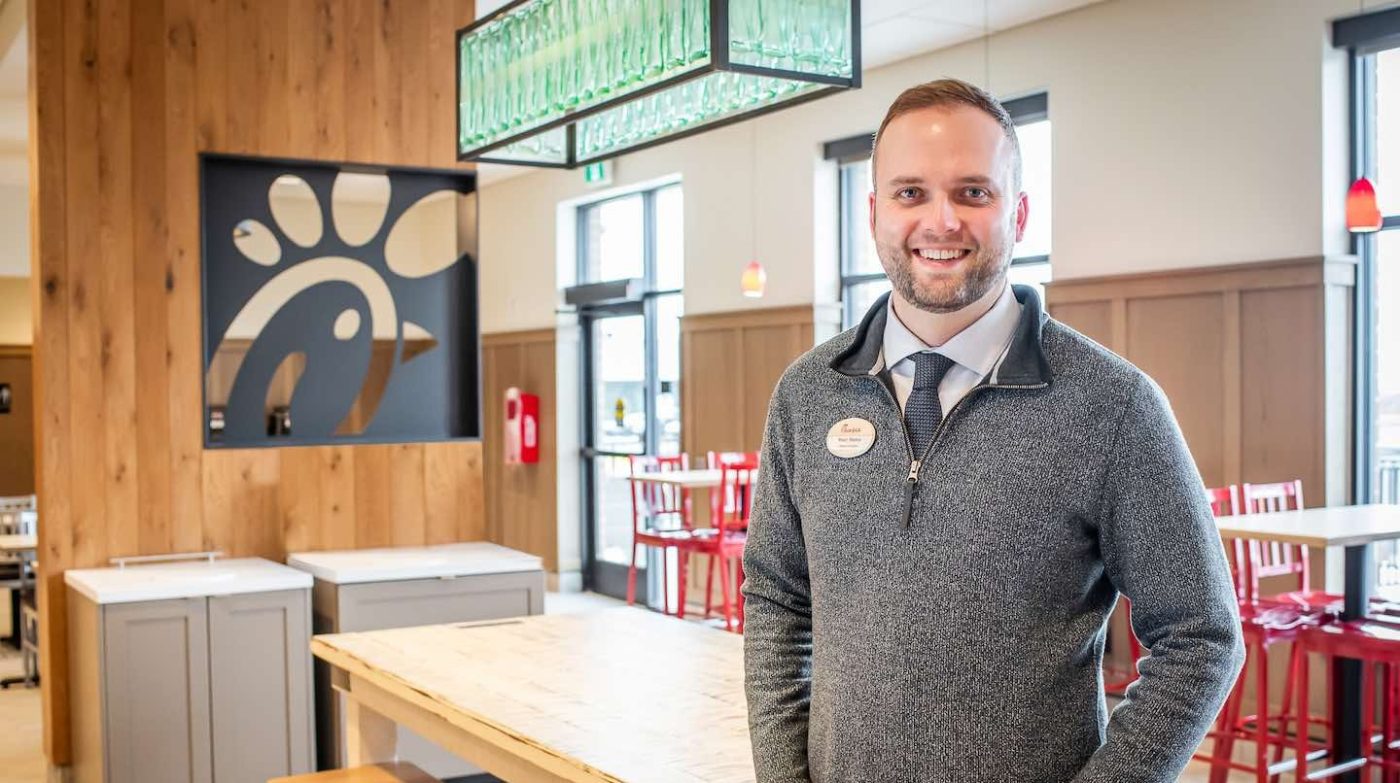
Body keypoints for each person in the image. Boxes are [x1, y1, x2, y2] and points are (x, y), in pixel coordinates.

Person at [741, 78, 1245, 783]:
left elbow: (1202, 634)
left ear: (1021, 213)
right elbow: (776, 597)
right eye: (910, 192)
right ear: (874, 212)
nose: (940, 221)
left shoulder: (1114, 405)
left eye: (973, 192)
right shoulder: (807, 393)